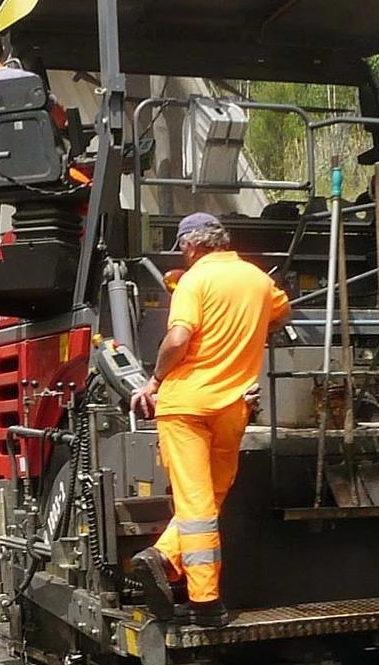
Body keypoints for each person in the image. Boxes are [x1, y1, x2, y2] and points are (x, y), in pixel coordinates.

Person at [128, 212, 291, 627]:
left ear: (190, 246)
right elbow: (281, 312)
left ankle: (204, 602)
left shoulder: (193, 281)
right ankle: (164, 557)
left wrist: (155, 379)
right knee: (213, 496)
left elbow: (179, 337)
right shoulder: (258, 280)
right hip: (232, 407)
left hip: (185, 406)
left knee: (196, 504)